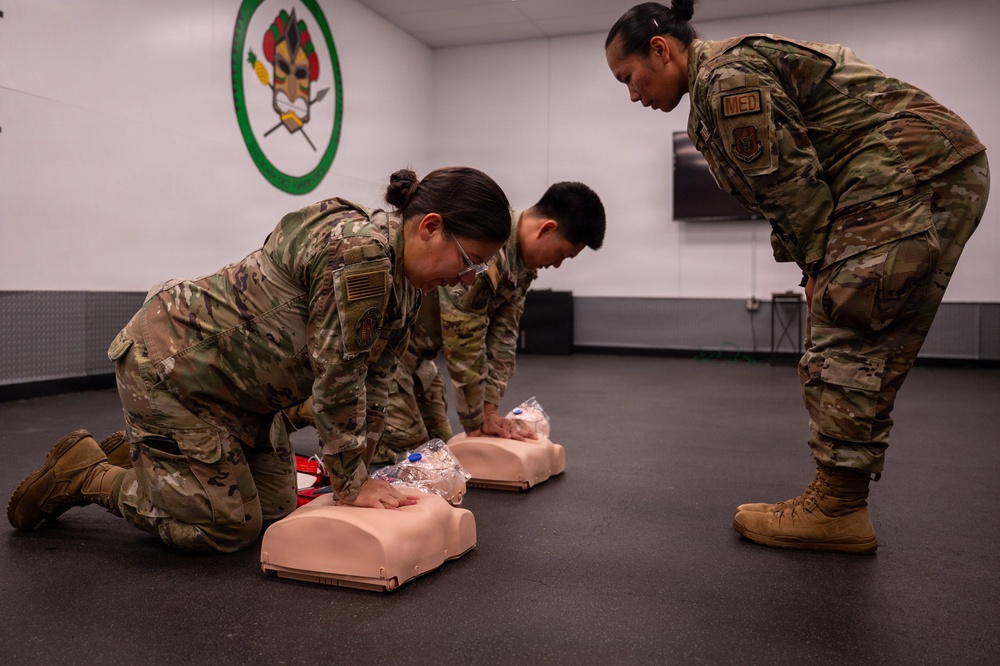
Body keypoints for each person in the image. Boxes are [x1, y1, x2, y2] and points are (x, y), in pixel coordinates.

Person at [606, 1, 989, 553]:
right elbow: (781, 192)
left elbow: (790, 185)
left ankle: (838, 508)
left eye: (628, 77)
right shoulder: (709, 95)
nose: (632, 94)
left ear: (660, 50)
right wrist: (816, 264)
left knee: (847, 328)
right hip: (910, 172)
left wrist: (817, 268)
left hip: (907, 170)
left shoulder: (726, 79)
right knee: (860, 330)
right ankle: (839, 500)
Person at [7, 167, 513, 553]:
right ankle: (86, 473)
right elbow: (339, 379)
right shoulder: (361, 255)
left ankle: (156, 458)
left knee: (275, 508)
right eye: (469, 262)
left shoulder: (405, 283)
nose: (465, 280)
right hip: (173, 373)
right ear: (430, 227)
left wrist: (359, 473)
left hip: (242, 398)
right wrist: (351, 483)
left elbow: (377, 380)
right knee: (226, 527)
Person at [379, 181, 606, 463]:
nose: (557, 264)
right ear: (547, 229)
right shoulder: (486, 248)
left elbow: (504, 338)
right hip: (386, 357)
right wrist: (477, 420)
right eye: (562, 254)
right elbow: (464, 339)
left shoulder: (521, 265)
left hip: (417, 359)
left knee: (442, 447)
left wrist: (489, 411)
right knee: (415, 454)